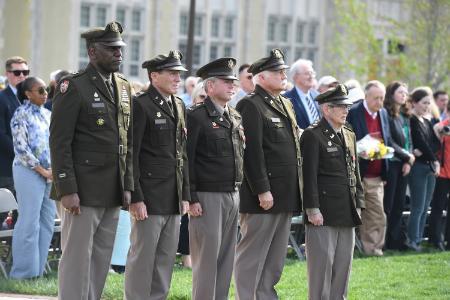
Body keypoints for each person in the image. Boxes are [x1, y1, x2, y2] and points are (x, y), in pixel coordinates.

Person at [50, 21, 133, 300]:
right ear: (93, 52)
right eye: (111, 49)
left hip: (112, 189)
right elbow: (60, 142)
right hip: (82, 191)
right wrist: (67, 189)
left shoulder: (123, 86)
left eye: (120, 48)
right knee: (76, 259)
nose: (118, 54)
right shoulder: (73, 86)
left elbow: (126, 142)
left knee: (101, 259)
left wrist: (127, 185)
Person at [234, 49, 302, 299]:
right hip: (262, 196)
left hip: (284, 194)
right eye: (277, 71)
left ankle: (265, 295)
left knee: (274, 258)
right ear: (260, 77)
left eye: (284, 70)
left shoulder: (285, 103)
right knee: (252, 254)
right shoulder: (250, 104)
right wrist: (262, 189)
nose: (284, 75)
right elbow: (251, 153)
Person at [124, 50, 190, 300]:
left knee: (164, 259)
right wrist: (136, 197)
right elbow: (132, 154)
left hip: (172, 197)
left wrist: (185, 194)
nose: (177, 78)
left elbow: (181, 155)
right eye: (172, 73)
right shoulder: (141, 105)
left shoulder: (179, 104)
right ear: (154, 76)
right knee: (143, 258)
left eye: (179, 74)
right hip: (149, 198)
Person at [186, 57, 244, 300]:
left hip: (232, 193)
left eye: (233, 81)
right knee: (206, 261)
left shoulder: (234, 116)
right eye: (226, 81)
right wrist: (192, 197)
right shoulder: (196, 117)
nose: (232, 85)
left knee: (226, 259)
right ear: (210, 87)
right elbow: (187, 160)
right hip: (207, 196)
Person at [301, 84, 364, 299]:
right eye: (340, 106)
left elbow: (355, 172)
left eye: (347, 106)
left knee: (343, 267)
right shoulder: (312, 135)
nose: (346, 110)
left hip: (346, 210)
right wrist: (312, 209)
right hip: (323, 212)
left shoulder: (348, 133)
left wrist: (358, 203)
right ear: (327, 109)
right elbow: (308, 176)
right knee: (321, 269)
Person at [9, 77, 56, 279]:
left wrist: (53, 169)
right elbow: (21, 148)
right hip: (28, 172)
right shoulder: (20, 114)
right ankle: (22, 274)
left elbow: (55, 143)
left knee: (46, 222)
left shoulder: (48, 114)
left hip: (50, 174)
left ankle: (37, 272)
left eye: (46, 89)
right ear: (28, 94)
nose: (45, 93)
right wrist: (42, 170)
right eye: (40, 90)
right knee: (29, 222)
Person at [347, 80, 391, 256]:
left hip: (376, 175)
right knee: (353, 214)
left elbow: (387, 139)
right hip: (357, 173)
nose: (379, 102)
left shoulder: (384, 114)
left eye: (382, 98)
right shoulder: (353, 113)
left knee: (377, 215)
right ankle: (349, 249)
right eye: (376, 98)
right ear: (366, 96)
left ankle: (373, 249)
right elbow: (346, 139)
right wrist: (358, 149)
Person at [383, 81, 415, 250]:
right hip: (392, 164)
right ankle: (386, 241)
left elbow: (408, 140)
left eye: (405, 92)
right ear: (392, 94)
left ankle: (395, 241)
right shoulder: (386, 114)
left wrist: (408, 160)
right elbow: (389, 141)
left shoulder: (404, 115)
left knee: (399, 204)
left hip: (404, 164)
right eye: (400, 92)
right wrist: (407, 156)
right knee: (388, 204)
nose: (404, 95)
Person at [407, 88, 440, 251]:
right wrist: (433, 158)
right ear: (414, 103)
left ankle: (418, 239)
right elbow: (420, 142)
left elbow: (435, 144)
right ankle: (412, 240)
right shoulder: (412, 120)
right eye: (424, 103)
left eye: (429, 103)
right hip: (419, 167)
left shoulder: (426, 121)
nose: (427, 106)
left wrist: (428, 153)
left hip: (429, 166)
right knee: (417, 206)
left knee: (426, 205)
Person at [0, 56, 29, 196]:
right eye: (17, 72)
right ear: (8, 74)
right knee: (5, 213)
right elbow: (1, 133)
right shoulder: (1, 98)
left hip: (28, 167)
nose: (22, 76)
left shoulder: (30, 98)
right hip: (7, 166)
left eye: (25, 72)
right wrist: (21, 153)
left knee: (23, 211)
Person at [430, 104, 450, 251]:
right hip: (442, 172)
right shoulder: (445, 124)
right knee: (438, 207)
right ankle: (435, 240)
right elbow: (437, 128)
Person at [284, 58, 320, 129]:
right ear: (295, 77)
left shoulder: (318, 96)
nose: (311, 76)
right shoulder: (286, 99)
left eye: (312, 73)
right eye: (307, 73)